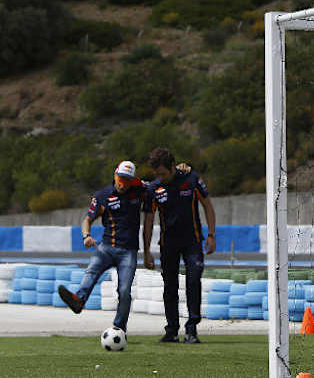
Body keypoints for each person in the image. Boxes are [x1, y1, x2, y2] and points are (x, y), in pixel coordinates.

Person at [58, 161, 145, 332]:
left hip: (128, 251)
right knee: (91, 271)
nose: (123, 184)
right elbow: (87, 220)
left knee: (125, 290)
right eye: (120, 179)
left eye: (127, 181)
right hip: (106, 247)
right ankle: (78, 301)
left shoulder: (140, 190)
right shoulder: (102, 196)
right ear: (115, 175)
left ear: (133, 181)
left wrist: (182, 169)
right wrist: (86, 236)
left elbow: (160, 183)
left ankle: (119, 328)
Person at [143, 147, 216, 344]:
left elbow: (207, 205)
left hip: (193, 241)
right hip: (168, 244)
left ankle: (191, 329)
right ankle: (172, 330)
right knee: (170, 286)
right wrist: (147, 251)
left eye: (163, 173)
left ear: (173, 167)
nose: (160, 177)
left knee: (193, 281)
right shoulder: (153, 189)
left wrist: (211, 235)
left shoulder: (191, 179)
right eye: (157, 174)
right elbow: (148, 221)